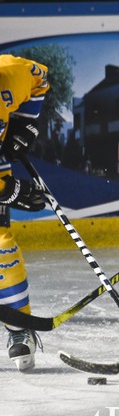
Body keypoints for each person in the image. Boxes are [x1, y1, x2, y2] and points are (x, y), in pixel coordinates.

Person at [0, 54, 48, 371]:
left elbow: (40, 78)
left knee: (1, 246)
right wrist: (10, 191)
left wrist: (24, 125)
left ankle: (20, 329)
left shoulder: (11, 73)